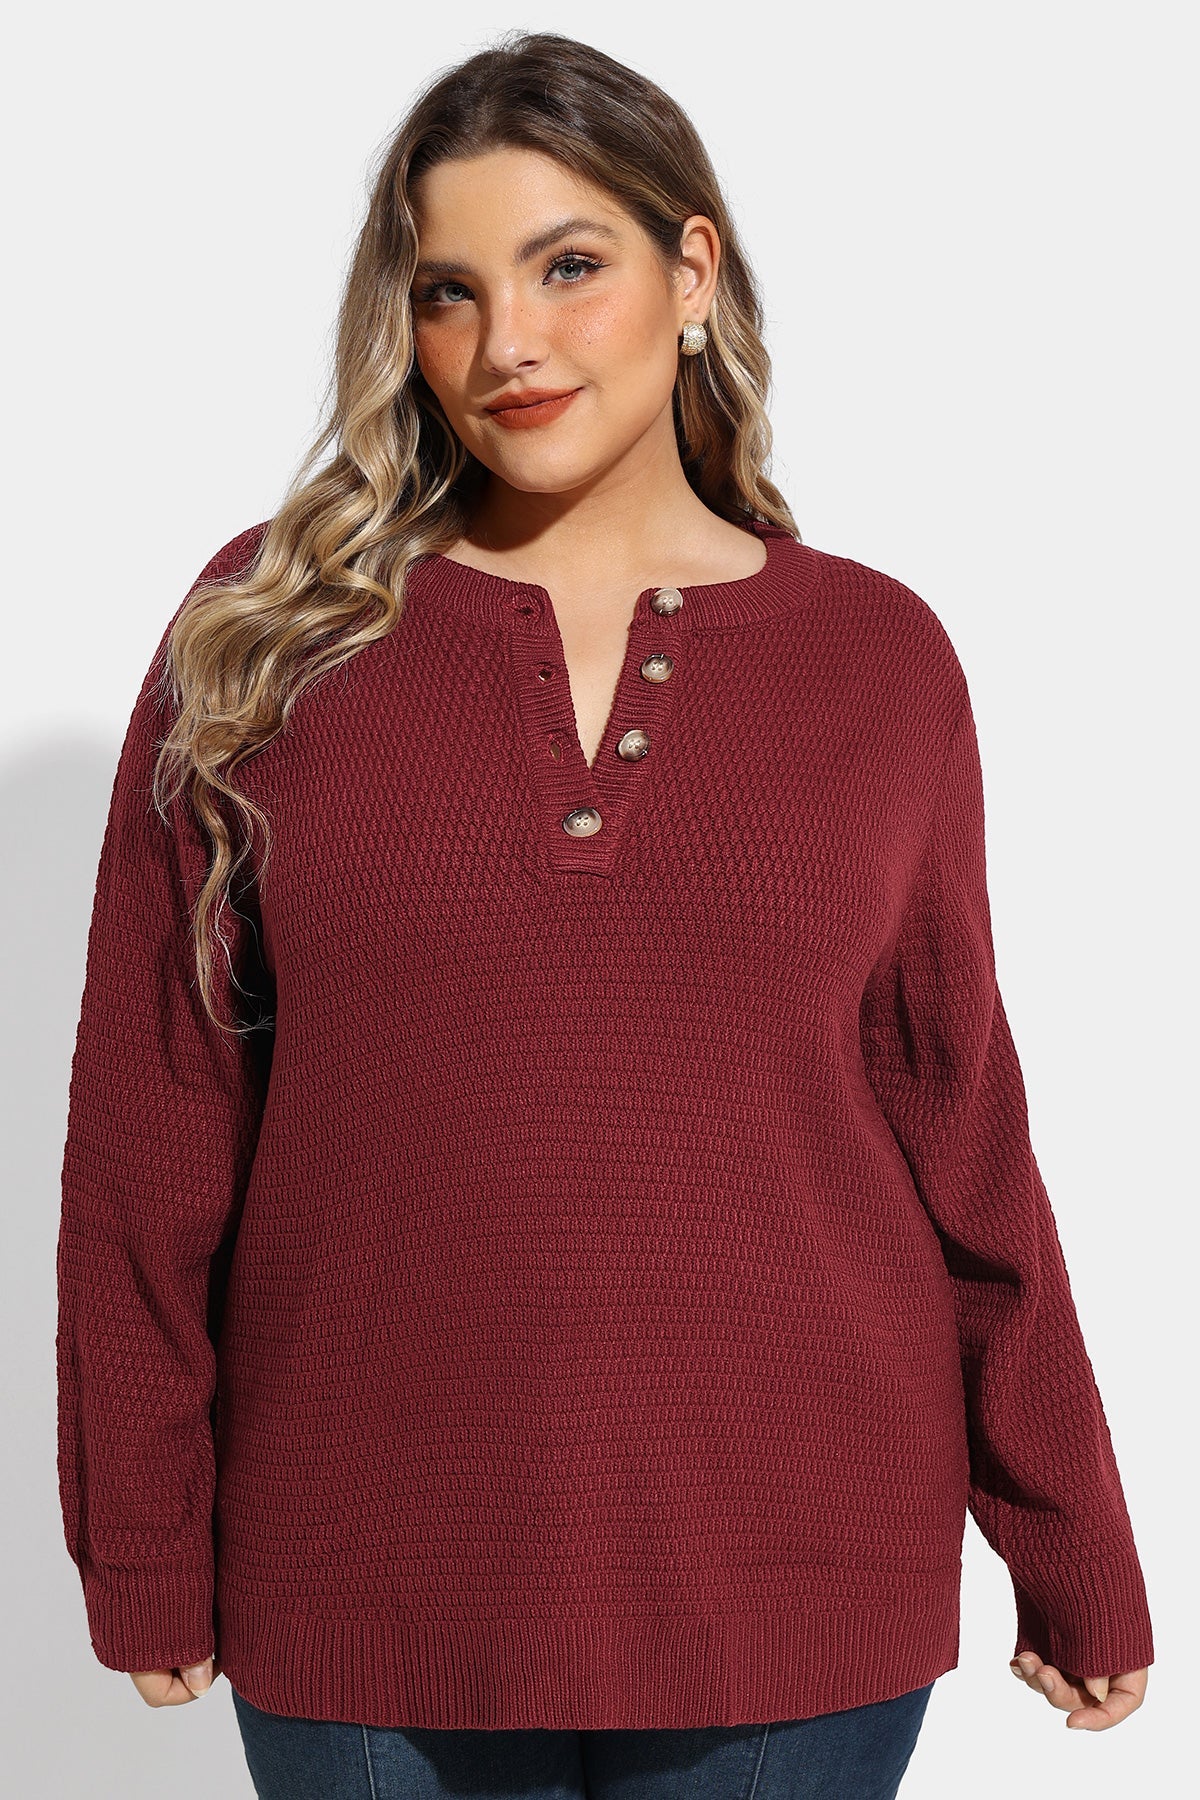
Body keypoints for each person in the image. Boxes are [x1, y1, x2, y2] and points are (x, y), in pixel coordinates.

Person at [54, 29, 1153, 1800]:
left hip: (796, 1584)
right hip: (365, 1581)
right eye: (450, 292)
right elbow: (151, 1132)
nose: (509, 342)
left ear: (691, 270)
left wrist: (1070, 1529)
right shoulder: (266, 635)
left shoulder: (879, 659)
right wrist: (144, 1528)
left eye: (569, 266)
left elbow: (959, 1121)